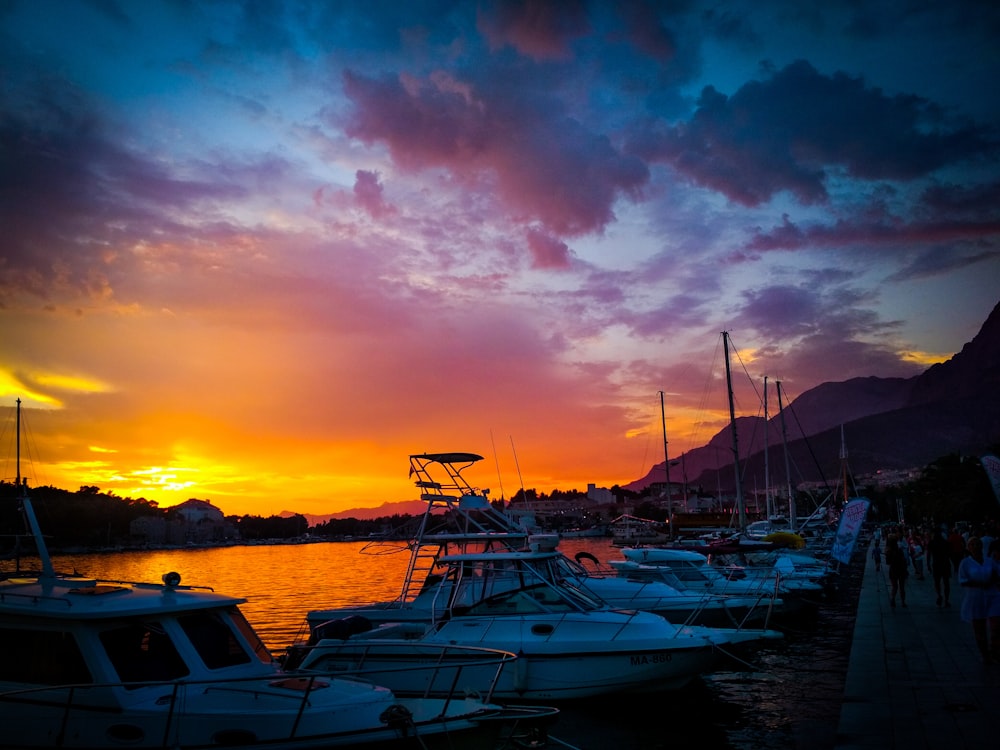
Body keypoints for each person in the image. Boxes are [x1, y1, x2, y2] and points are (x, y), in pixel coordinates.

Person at [957, 536, 996, 664]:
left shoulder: (989, 561)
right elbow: (962, 580)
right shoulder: (965, 563)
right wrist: (978, 584)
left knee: (995, 628)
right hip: (975, 599)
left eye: (977, 544)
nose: (975, 547)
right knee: (979, 630)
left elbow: (996, 574)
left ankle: (993, 650)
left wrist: (992, 582)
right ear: (968, 548)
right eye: (972, 545)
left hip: (992, 598)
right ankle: (985, 655)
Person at [927, 527, 952, 607]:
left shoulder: (931, 542)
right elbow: (949, 554)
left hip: (936, 564)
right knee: (946, 583)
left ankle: (939, 595)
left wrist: (928, 564)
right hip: (945, 564)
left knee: (937, 582)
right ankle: (946, 600)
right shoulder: (945, 542)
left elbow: (928, 554)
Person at [885, 534, 909, 608]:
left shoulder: (888, 551)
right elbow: (903, 561)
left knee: (894, 586)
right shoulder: (899, 550)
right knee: (902, 587)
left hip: (893, 570)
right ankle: (903, 602)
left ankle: (893, 599)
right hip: (901, 570)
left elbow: (888, 562)